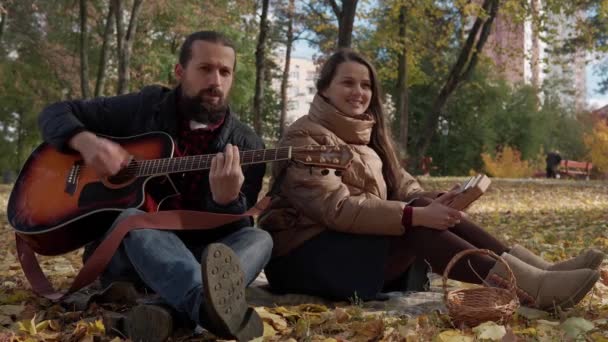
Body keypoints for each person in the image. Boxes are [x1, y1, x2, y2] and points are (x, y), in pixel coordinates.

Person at [259, 49, 603, 311]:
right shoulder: (305, 136)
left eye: (366, 85)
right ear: (324, 89)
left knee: (423, 208)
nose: (359, 92)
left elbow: (406, 189)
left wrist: (443, 198)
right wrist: (413, 214)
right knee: (415, 219)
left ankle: (539, 271)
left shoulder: (367, 139)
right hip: (304, 257)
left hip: (350, 248)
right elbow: (336, 208)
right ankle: (528, 286)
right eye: (347, 82)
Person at [38, 31, 271, 341]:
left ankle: (175, 309)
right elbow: (54, 113)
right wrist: (87, 142)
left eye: (225, 71)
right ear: (180, 71)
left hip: (198, 258)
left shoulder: (247, 145)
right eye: (205, 68)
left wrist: (226, 202)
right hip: (131, 258)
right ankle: (205, 307)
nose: (216, 80)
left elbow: (228, 236)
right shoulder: (145, 106)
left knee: (259, 238)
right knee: (132, 219)